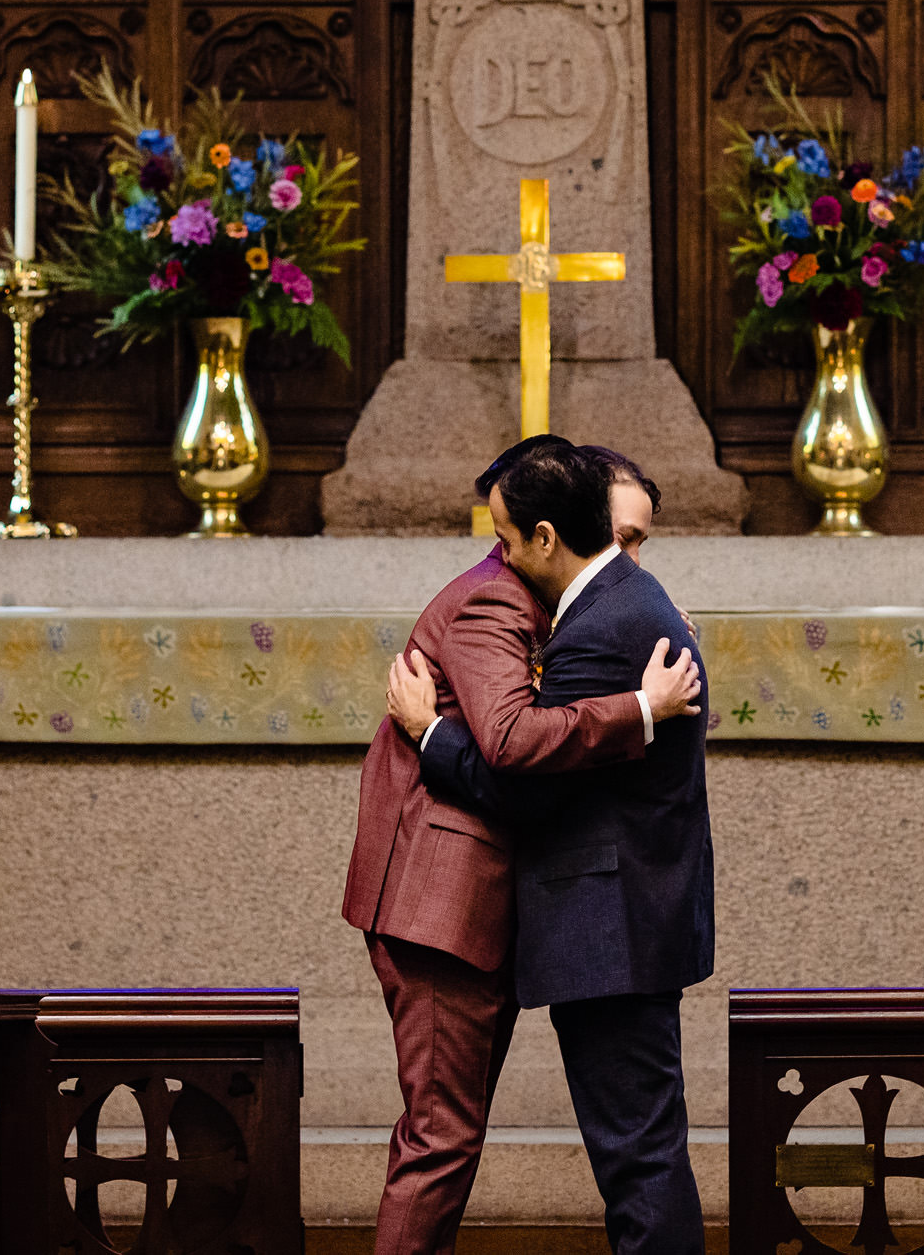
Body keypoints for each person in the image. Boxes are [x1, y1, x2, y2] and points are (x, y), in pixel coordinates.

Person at [340, 435, 703, 1255]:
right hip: (445, 903)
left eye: (639, 542)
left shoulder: (596, 608)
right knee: (440, 1136)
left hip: (496, 902)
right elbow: (507, 743)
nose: (630, 557)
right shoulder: (498, 600)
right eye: (623, 536)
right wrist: (637, 707)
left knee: (460, 1136)